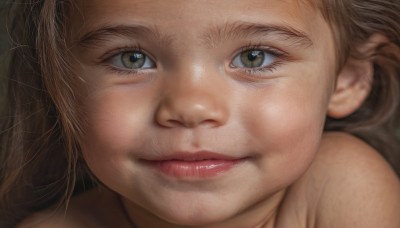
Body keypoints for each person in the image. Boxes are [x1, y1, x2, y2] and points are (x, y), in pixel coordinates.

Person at [1, 0, 399, 227]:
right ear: (60, 82)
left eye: (253, 57)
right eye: (132, 58)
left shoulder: (341, 186)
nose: (190, 108)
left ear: (347, 78)